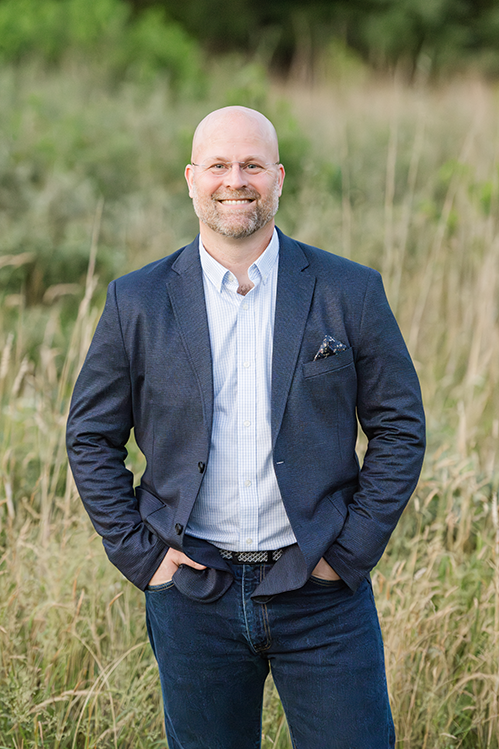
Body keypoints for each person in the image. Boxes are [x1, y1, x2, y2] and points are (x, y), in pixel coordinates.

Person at [66, 105, 425, 748]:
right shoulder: (135, 301)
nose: (236, 180)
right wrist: (144, 557)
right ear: (191, 179)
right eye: (219, 165)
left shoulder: (350, 291)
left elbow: (399, 427)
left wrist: (347, 553)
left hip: (321, 592)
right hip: (193, 593)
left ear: (278, 177)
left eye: (253, 165)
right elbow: (91, 436)